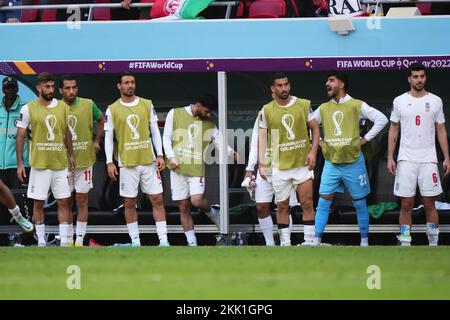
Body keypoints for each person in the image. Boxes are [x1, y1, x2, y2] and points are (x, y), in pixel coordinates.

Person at [313, 71, 388, 246]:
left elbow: (382, 119)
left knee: (360, 203)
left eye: (331, 80)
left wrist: (365, 139)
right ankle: (316, 240)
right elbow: (310, 124)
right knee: (323, 202)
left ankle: (364, 242)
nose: (327, 83)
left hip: (354, 161)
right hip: (332, 162)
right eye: (327, 80)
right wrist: (319, 141)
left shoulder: (356, 105)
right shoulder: (323, 108)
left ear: (342, 84)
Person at [387, 62, 449, 246]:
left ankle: (433, 243)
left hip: (429, 159)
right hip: (406, 159)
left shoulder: (436, 101)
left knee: (430, 203)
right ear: (409, 79)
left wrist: (447, 157)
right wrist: (390, 156)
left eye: (422, 76)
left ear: (425, 77)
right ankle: (405, 242)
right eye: (415, 76)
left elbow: (441, 130)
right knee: (406, 204)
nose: (419, 79)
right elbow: (393, 129)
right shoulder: (399, 101)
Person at [163, 94, 237, 246]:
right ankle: (192, 244)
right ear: (199, 105)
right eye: (208, 111)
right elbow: (166, 137)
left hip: (196, 169)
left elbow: (219, 140)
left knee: (196, 201)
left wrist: (230, 152)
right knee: (184, 207)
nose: (209, 115)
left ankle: (212, 211)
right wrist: (171, 157)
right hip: (177, 169)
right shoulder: (175, 113)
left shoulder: (209, 124)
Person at [104, 72, 169, 247]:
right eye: (126, 83)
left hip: (148, 160)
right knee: (129, 202)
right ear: (119, 86)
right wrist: (109, 162)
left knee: (157, 199)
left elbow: (155, 131)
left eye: (132, 82)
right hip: (126, 163)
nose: (130, 85)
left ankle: (163, 240)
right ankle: (135, 242)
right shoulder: (112, 109)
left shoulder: (147, 104)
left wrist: (160, 154)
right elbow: (108, 137)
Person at [258, 73, 320, 246]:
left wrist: (313, 152)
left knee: (307, 202)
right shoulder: (266, 110)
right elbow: (262, 138)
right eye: (279, 85)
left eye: (286, 84)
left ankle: (309, 242)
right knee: (282, 205)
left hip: (302, 164)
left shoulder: (303, 104)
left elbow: (315, 129)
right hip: (279, 166)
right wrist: (262, 164)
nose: (284, 88)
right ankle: (286, 244)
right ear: (273, 89)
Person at [16, 72, 76, 246]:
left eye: (52, 86)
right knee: (38, 203)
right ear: (38, 88)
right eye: (47, 87)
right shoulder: (28, 108)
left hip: (60, 164)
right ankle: (41, 241)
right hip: (39, 165)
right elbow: (20, 136)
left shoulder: (63, 107)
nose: (50, 90)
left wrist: (71, 155)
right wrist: (20, 164)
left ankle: (65, 242)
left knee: (65, 201)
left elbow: (66, 133)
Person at [59, 75, 104, 247]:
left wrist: (97, 141)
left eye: (74, 88)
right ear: (61, 90)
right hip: (62, 163)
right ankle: (67, 240)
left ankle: (79, 240)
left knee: (82, 199)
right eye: (67, 88)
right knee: (65, 201)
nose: (71, 92)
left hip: (84, 160)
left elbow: (101, 120)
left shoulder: (88, 104)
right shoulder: (55, 106)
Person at [244, 113, 298, 246]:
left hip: (286, 168)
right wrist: (250, 168)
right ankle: (270, 244)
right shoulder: (263, 113)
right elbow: (255, 143)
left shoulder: (291, 112)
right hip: (265, 169)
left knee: (284, 206)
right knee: (261, 207)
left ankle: (286, 242)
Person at [0, 76, 33, 233]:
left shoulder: (25, 108)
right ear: (3, 90)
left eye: (13, 87)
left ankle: (25, 241)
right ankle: (4, 241)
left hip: (19, 166)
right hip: (1, 165)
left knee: (22, 203)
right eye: (7, 88)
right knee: (2, 205)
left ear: (17, 89)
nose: (10, 90)